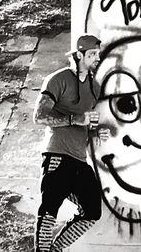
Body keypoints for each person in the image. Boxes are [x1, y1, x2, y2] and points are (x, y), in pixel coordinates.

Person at [32, 34, 109, 251]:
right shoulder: (58, 79)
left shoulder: (94, 87)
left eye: (98, 54)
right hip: (57, 155)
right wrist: (75, 119)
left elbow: (85, 125)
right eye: (92, 54)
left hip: (79, 159)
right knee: (48, 212)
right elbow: (38, 117)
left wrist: (95, 134)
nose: (96, 58)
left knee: (92, 211)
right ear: (78, 55)